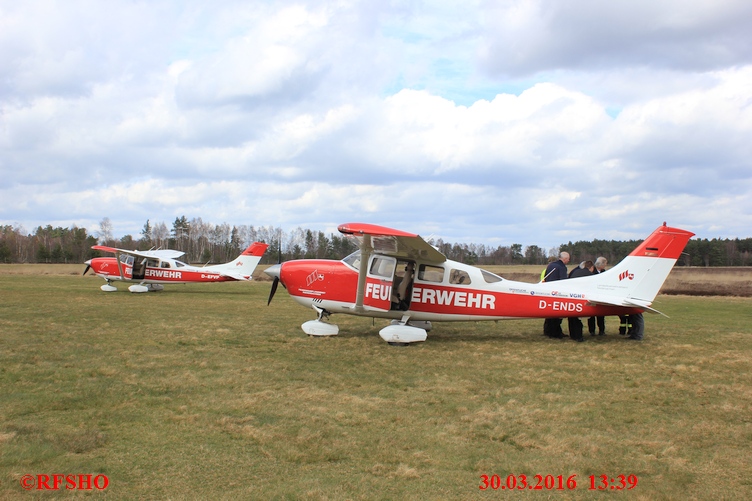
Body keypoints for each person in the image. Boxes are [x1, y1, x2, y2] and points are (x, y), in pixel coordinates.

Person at [542, 251, 570, 338]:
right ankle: (556, 333)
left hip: (548, 291)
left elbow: (545, 276)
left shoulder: (551, 265)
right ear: (565, 259)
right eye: (568, 259)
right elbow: (563, 281)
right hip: (557, 293)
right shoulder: (562, 267)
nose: (568, 261)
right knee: (557, 314)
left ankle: (547, 330)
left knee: (549, 313)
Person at [566, 260, 594, 342]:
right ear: (591, 267)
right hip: (580, 298)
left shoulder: (576, 272)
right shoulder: (591, 276)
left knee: (572, 318)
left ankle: (572, 335)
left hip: (570, 297)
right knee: (578, 320)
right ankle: (579, 336)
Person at [588, 257, 608, 336]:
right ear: (601, 264)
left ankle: (601, 331)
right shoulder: (592, 271)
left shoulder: (604, 272)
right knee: (591, 315)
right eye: (605, 264)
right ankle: (592, 331)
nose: (605, 266)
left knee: (601, 315)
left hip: (601, 296)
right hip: (592, 295)